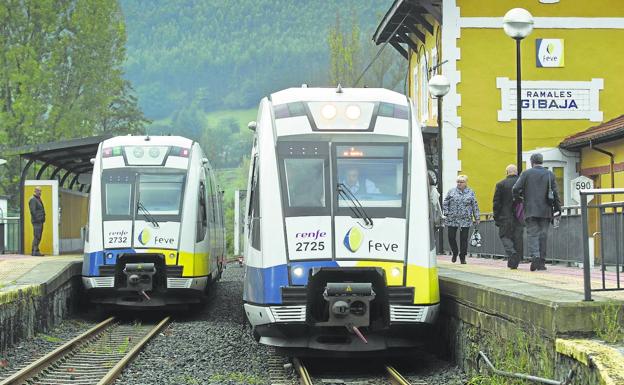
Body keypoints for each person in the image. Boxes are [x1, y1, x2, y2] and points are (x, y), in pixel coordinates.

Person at [512, 153, 561, 271]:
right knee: (543, 235)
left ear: (531, 161)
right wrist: (558, 208)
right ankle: (542, 263)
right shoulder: (550, 174)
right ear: (542, 161)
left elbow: (515, 188)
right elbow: (555, 193)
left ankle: (535, 256)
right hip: (546, 210)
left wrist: (519, 199)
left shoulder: (526, 174)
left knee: (533, 234)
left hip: (530, 209)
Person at [443, 175, 480, 264]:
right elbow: (445, 202)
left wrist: (477, 217)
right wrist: (446, 212)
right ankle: (455, 252)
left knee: (464, 238)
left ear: (466, 183)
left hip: (465, 219)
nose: (459, 183)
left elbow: (474, 205)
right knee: (451, 237)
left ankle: (462, 256)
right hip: (452, 218)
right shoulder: (451, 191)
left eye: (461, 182)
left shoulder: (471, 192)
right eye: (458, 181)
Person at [493, 164, 524, 269]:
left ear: (507, 172)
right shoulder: (523, 184)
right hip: (520, 216)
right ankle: (514, 263)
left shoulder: (500, 184)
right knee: (517, 239)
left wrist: (496, 216)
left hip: (505, 216)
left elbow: (496, 203)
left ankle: (511, 253)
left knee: (504, 236)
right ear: (516, 172)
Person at [28, 186, 46, 256]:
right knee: (37, 236)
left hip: (40, 221)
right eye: (38, 191)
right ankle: (34, 251)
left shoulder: (38, 199)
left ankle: (36, 251)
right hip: (37, 221)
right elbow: (33, 211)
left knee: (39, 236)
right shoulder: (33, 199)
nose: (40, 192)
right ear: (35, 191)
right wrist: (38, 219)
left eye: (40, 191)